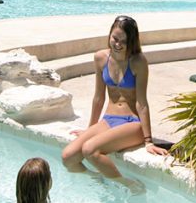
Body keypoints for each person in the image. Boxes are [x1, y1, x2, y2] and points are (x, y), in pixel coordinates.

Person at [61, 15, 169, 187]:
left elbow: (142, 103)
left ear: (131, 42)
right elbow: (98, 97)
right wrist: (90, 129)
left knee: (90, 149)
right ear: (109, 35)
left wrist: (148, 141)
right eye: (115, 39)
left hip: (132, 123)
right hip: (109, 120)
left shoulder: (138, 62)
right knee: (68, 157)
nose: (118, 44)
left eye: (123, 41)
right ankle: (98, 178)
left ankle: (130, 185)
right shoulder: (100, 58)